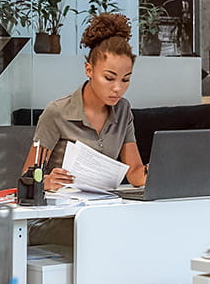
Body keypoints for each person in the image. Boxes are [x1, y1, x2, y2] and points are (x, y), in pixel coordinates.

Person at [25, 12, 147, 190]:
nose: (118, 88)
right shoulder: (57, 112)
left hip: (102, 209)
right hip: (62, 212)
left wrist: (158, 171)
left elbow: (135, 174)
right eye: (109, 78)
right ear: (89, 70)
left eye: (125, 79)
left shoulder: (123, 110)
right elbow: (27, 179)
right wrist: (46, 182)